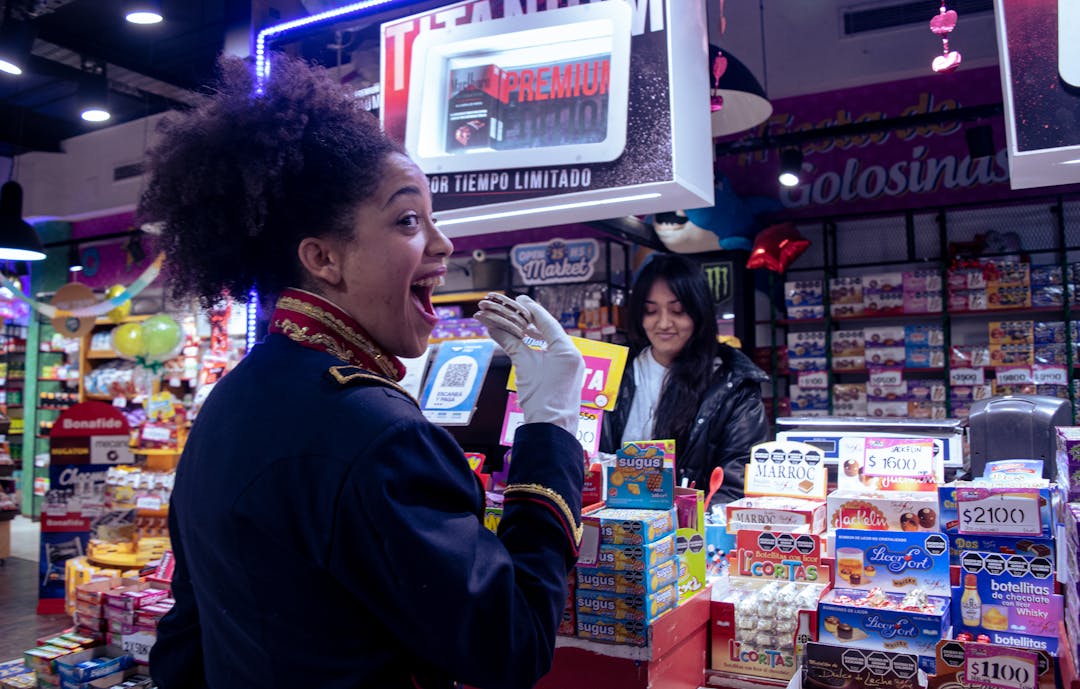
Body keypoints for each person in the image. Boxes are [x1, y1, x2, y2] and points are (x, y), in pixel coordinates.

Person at [143, 55, 585, 689]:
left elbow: (188, 636)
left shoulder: (231, 399)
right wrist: (552, 427)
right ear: (324, 258)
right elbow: (510, 642)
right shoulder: (379, 436)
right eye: (408, 219)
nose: (443, 243)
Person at [600, 253, 769, 508]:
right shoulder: (614, 370)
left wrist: (690, 529)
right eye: (651, 311)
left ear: (699, 313)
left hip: (692, 538)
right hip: (614, 529)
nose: (664, 323)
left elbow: (739, 480)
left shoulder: (733, 384)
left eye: (678, 311)